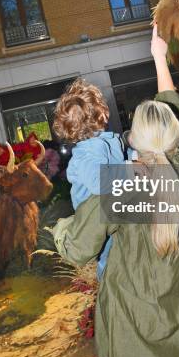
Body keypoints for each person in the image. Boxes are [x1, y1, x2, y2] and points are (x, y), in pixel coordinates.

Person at [52, 25, 179, 357]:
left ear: (133, 139)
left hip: (138, 321)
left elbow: (77, 248)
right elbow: (175, 109)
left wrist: (62, 224)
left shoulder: (118, 188)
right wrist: (158, 56)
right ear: (173, 139)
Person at [53, 78, 125, 279]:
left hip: (109, 216)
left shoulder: (100, 143)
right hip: (97, 223)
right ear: (102, 113)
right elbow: (101, 182)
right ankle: (110, 289)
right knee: (110, 260)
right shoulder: (87, 153)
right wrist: (132, 168)